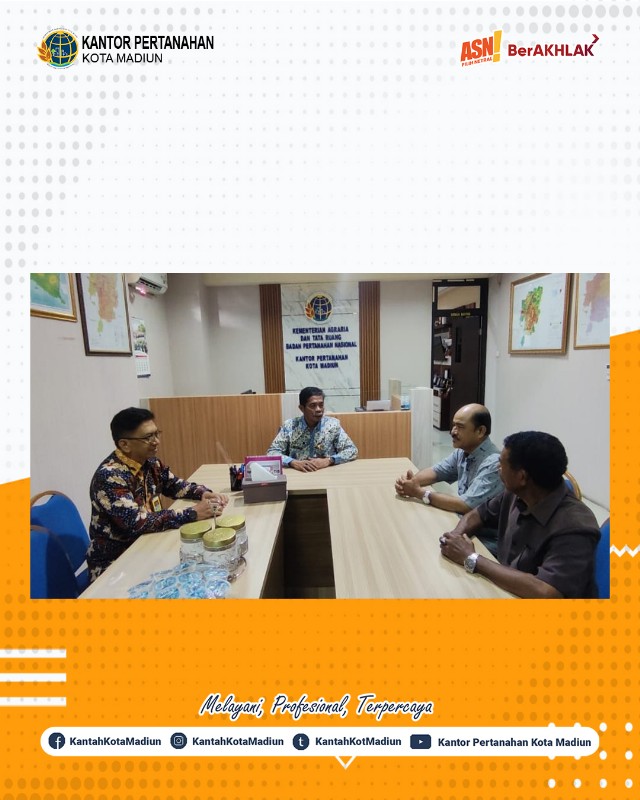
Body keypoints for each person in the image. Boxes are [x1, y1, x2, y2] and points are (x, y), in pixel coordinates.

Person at [439, 431, 600, 599]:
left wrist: (471, 558)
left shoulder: (575, 526)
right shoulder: (517, 492)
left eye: (502, 465)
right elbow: (477, 514)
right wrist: (455, 538)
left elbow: (546, 591)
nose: (498, 469)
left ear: (521, 477)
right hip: (505, 589)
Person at [87, 407, 229, 582]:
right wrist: (192, 513)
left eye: (156, 434)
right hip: (116, 564)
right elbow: (136, 523)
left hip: (147, 547)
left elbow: (174, 485)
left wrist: (202, 493)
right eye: (148, 437)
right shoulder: (109, 477)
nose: (156, 441)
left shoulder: (150, 462)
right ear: (125, 444)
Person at [395, 403, 502, 553]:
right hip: (463, 527)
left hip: (485, 540)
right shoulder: (463, 451)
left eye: (460, 427)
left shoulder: (493, 463)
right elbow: (437, 471)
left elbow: (466, 505)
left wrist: (419, 493)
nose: (453, 431)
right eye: (454, 426)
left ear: (480, 431)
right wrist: (412, 482)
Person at [267, 387, 358, 472]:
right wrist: (293, 462)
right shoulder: (289, 426)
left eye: (321, 405)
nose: (318, 409)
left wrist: (329, 460)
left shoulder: (333, 425)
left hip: (327, 473)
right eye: (313, 405)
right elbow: (272, 452)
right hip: (298, 474)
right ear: (302, 408)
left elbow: (352, 450)